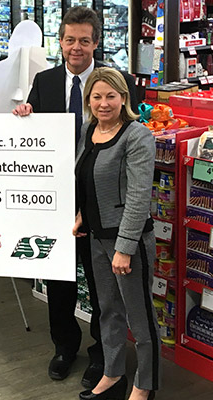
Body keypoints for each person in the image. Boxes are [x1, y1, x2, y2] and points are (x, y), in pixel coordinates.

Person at [12, 7, 139, 389]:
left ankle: (103, 354)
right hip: (56, 200)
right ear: (61, 41)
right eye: (70, 40)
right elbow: (33, 133)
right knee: (59, 278)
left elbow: (132, 135)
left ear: (96, 42)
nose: (76, 47)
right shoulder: (45, 81)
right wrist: (25, 114)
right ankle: (64, 346)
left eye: (84, 40)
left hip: (101, 203)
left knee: (102, 285)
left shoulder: (119, 82)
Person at [74, 67, 158, 400]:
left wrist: (124, 248)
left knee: (140, 317)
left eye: (111, 96)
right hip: (97, 237)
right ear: (88, 100)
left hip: (129, 243)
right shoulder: (89, 129)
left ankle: (145, 385)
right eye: (97, 96)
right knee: (108, 310)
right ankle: (113, 374)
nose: (104, 103)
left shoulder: (137, 136)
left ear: (124, 98)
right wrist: (82, 214)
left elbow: (138, 196)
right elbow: (87, 178)